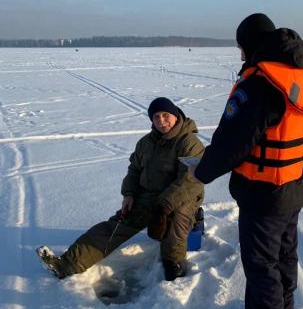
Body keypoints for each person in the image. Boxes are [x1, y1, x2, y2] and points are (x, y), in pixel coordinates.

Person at [193, 13, 303, 309]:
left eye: (241, 48)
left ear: (250, 45)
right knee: (285, 256)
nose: (241, 56)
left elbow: (232, 144)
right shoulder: (301, 73)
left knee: (262, 266)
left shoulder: (260, 83)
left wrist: (200, 172)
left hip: (263, 192)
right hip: (295, 186)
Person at [37, 97, 204, 282]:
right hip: (148, 196)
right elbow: (134, 170)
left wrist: (164, 205)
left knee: (176, 223)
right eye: (156, 117)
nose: (161, 121)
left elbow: (191, 180)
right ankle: (67, 264)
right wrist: (129, 194)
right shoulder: (145, 143)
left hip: (182, 197)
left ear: (175, 115)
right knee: (115, 225)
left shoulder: (189, 143)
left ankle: (174, 269)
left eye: (166, 115)